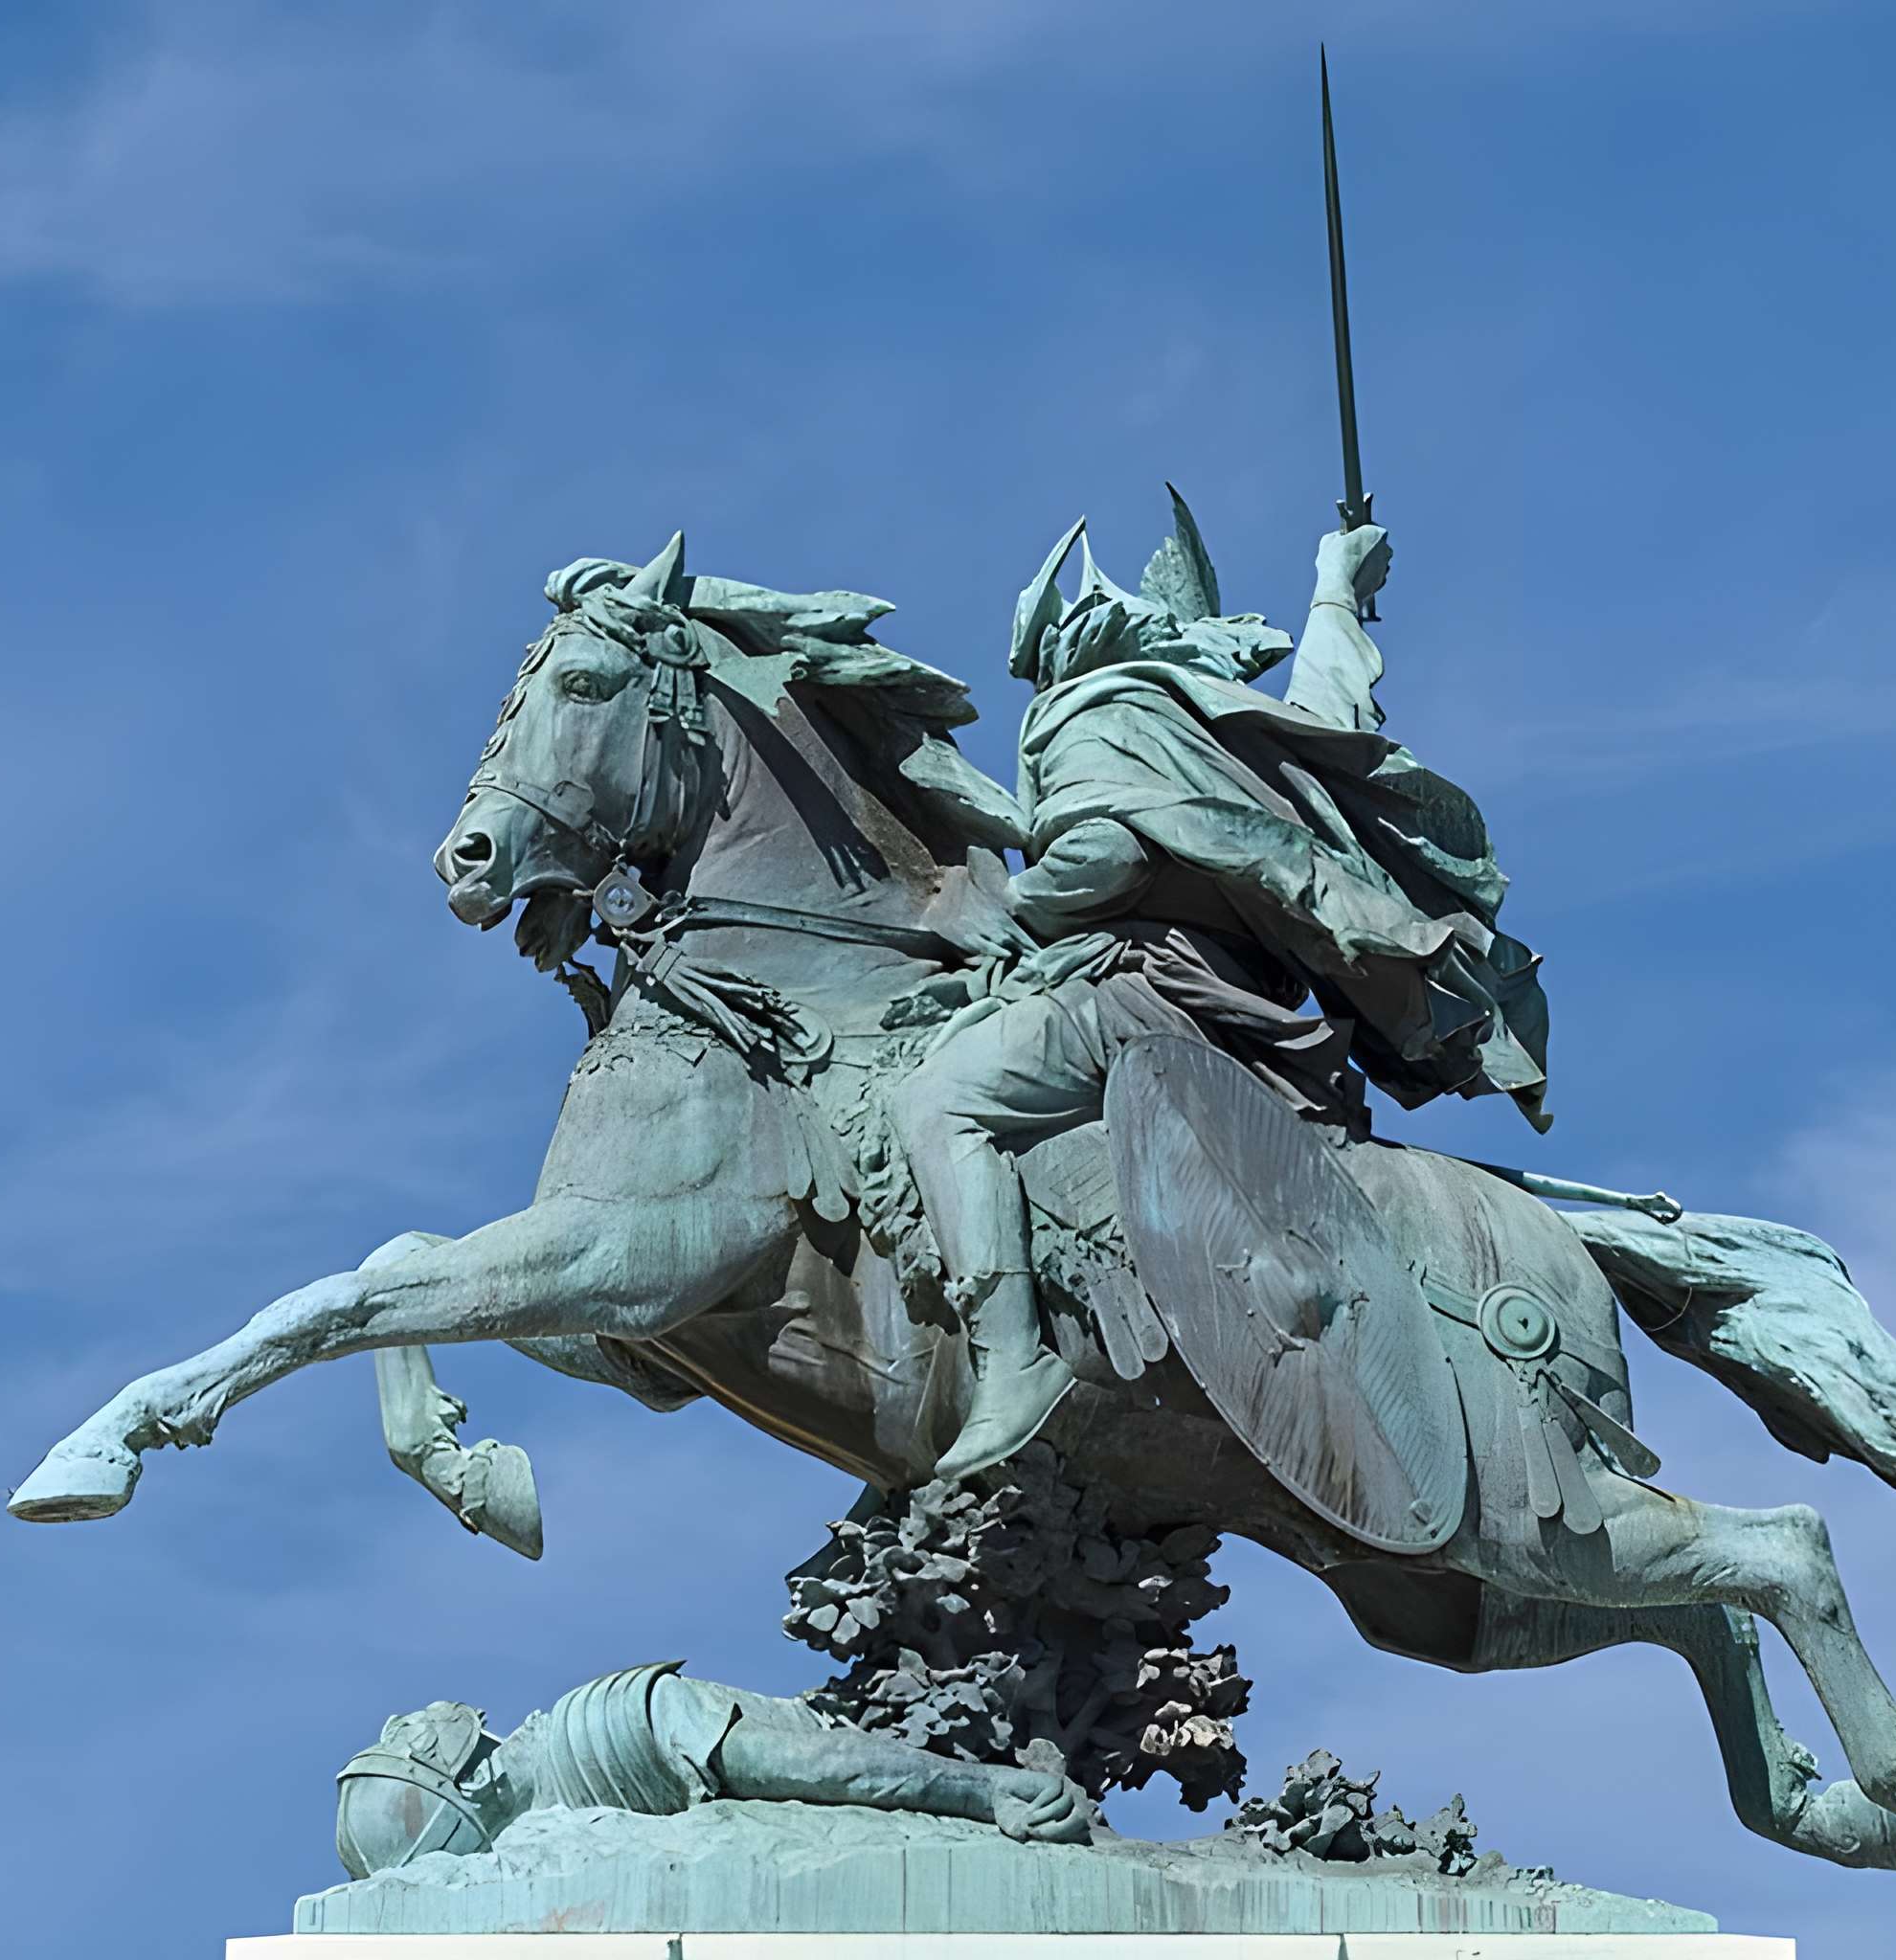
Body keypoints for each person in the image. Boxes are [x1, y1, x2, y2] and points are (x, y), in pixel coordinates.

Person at [892, 494, 1552, 1478]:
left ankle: (1009, 1362)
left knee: (934, 1097)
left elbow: (1106, 853)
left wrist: (1010, 905)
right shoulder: (1220, 717)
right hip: (1240, 1007)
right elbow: (1338, 730)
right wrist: (1334, 594)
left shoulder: (1094, 710)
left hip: (1139, 989)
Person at [333, 1662, 1094, 1879]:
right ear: (469, 1771)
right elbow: (818, 1767)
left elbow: (822, 1760)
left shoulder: (607, 1728)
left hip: (894, 1762)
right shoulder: (613, 1723)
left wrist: (981, 1787)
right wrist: (982, 1789)